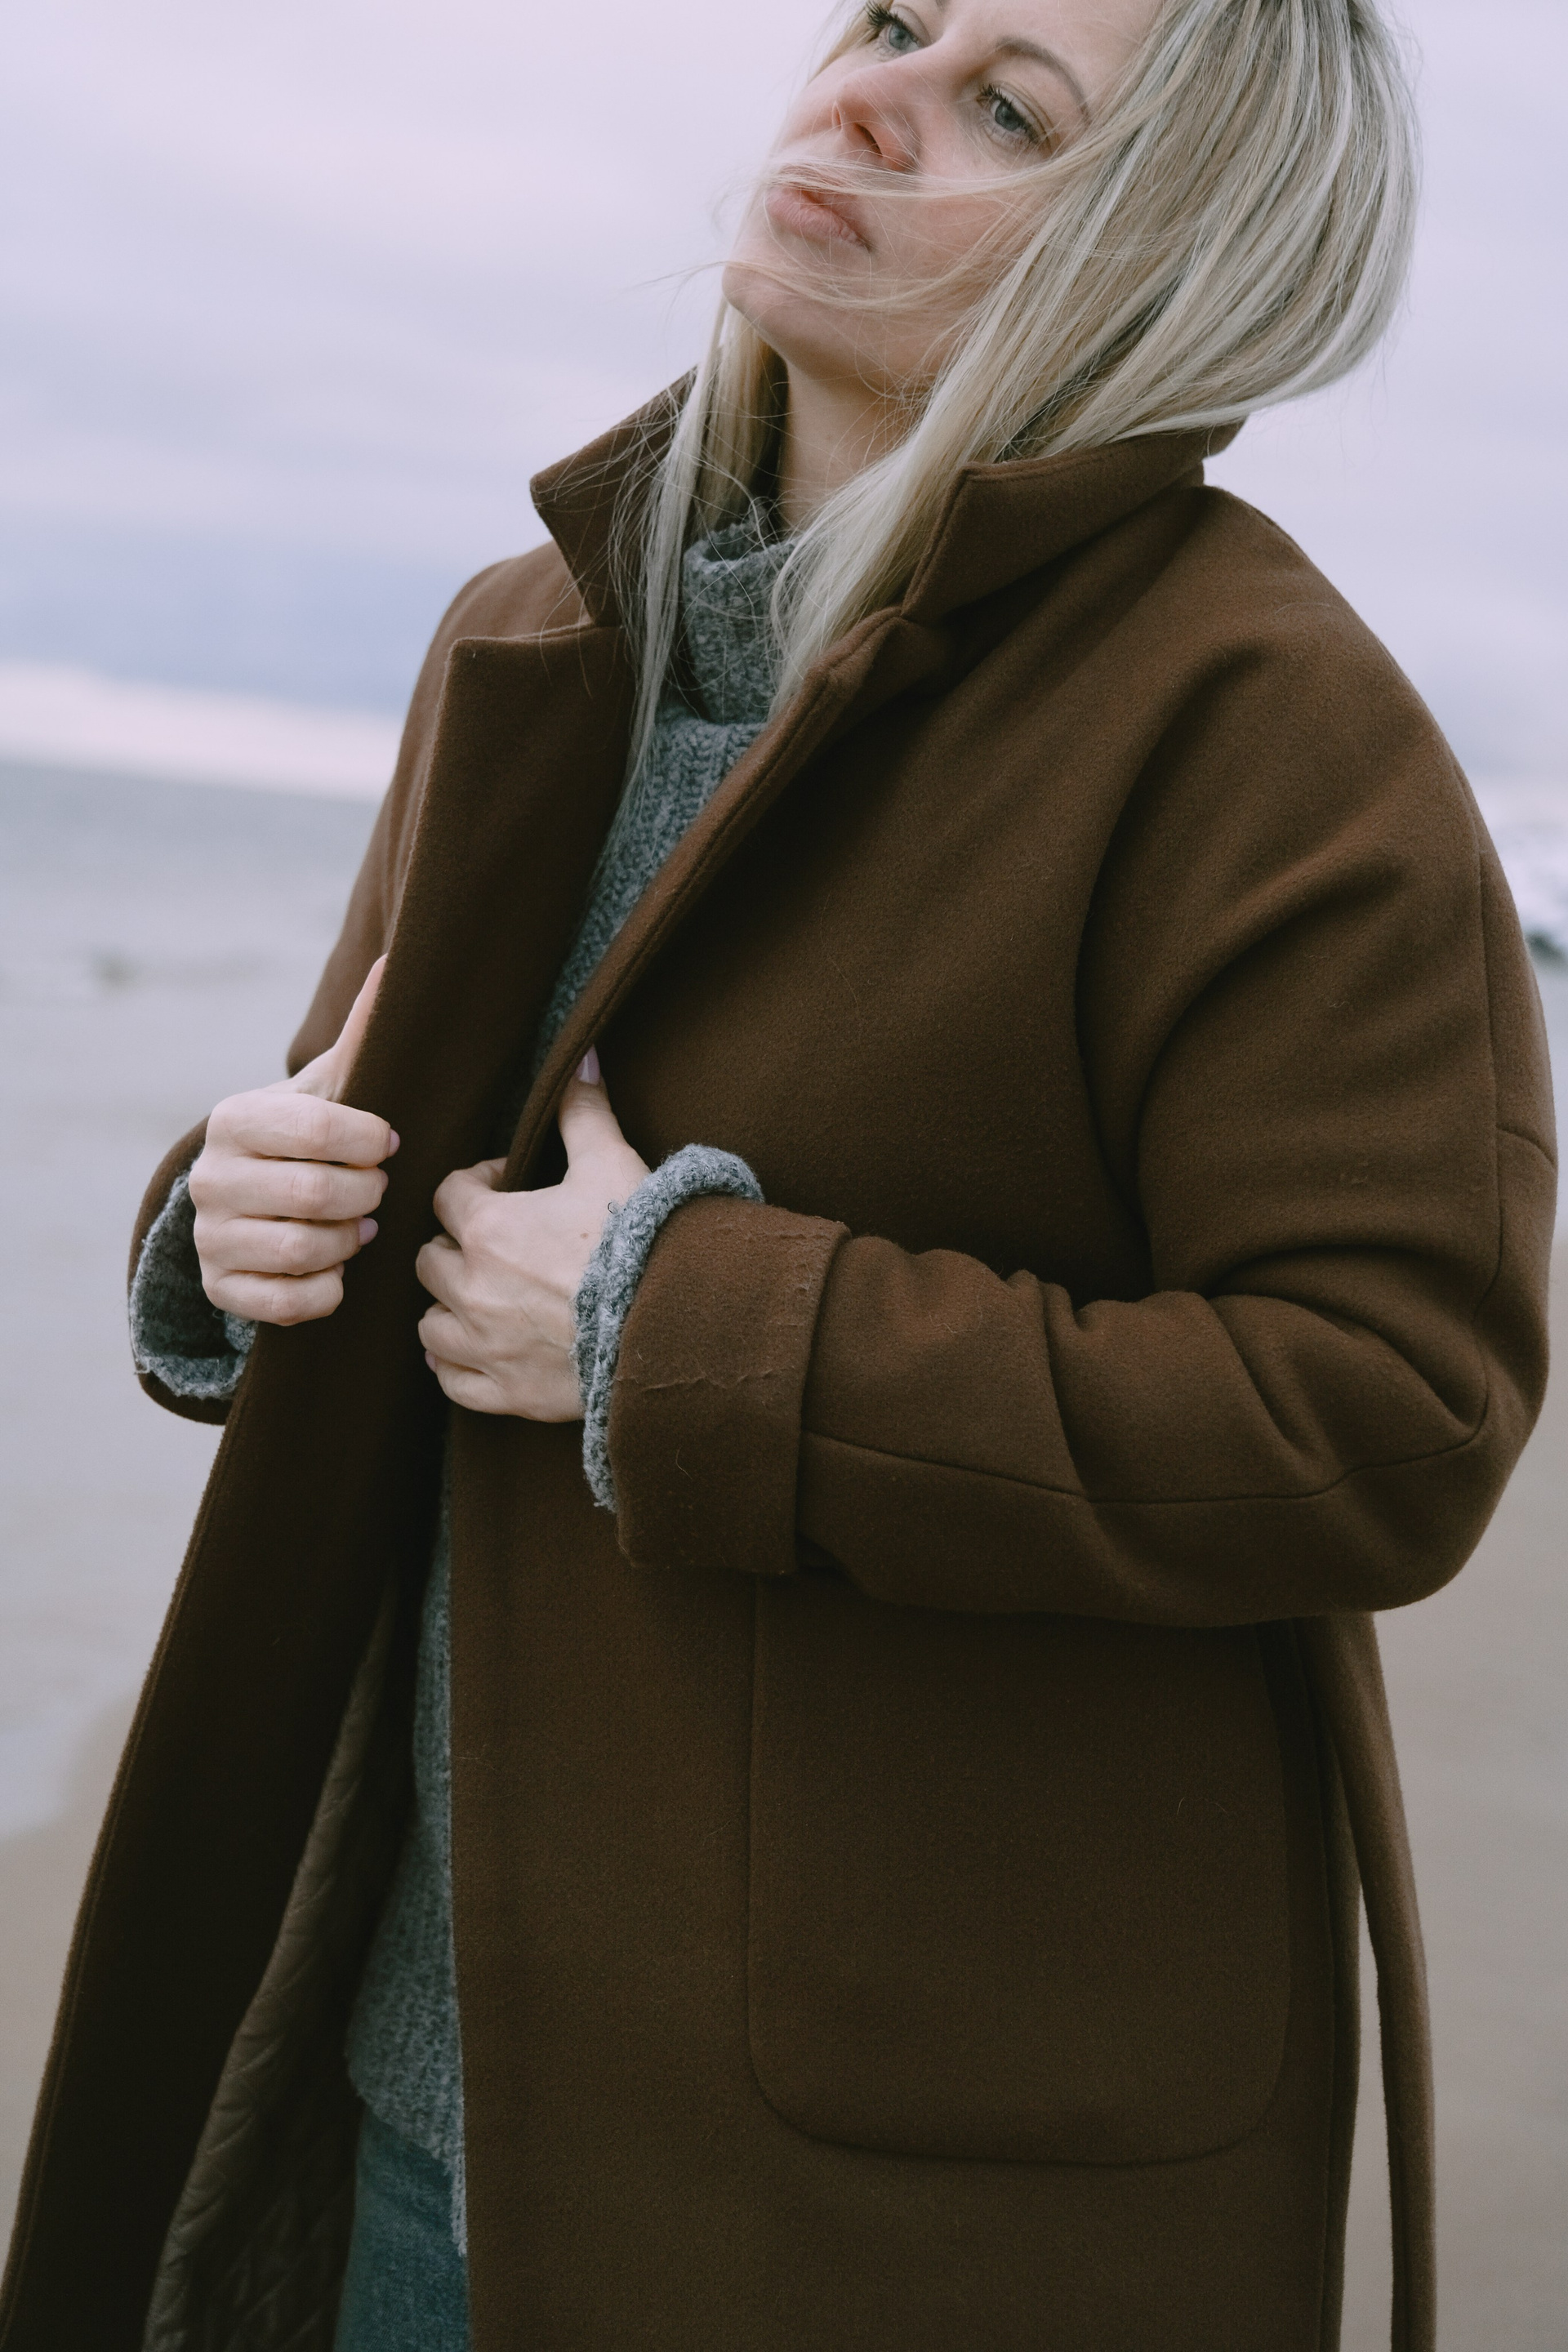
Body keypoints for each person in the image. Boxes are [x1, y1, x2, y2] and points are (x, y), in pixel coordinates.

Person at [1, 0, 1552, 2345]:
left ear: (1178, 253)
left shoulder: (1270, 728)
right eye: (895, 19)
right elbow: (394, 1164)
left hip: (877, 2191)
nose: (874, 98)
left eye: (1008, 105)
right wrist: (232, 1222)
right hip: (397, 2087)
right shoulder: (533, 629)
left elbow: (1389, 1415)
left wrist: (680, 1327)